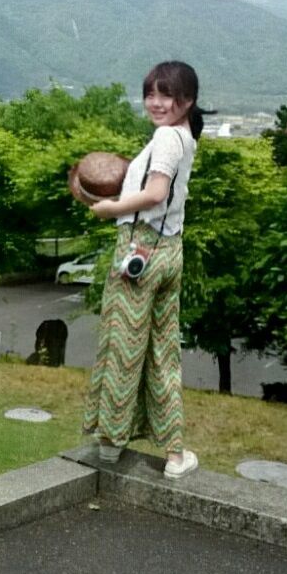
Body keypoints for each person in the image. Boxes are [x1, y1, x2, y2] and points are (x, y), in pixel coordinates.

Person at [81, 61, 210, 478]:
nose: (155, 103)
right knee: (162, 354)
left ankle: (110, 444)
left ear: (186, 100)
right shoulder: (186, 137)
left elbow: (154, 194)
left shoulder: (167, 137)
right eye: (150, 94)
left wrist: (110, 208)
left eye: (165, 94)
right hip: (170, 251)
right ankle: (174, 454)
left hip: (141, 251)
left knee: (122, 347)